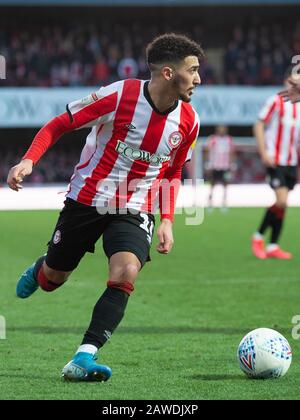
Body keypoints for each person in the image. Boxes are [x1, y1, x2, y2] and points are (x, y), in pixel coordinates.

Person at [7, 33, 203, 382]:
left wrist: (168, 220)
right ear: (169, 74)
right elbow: (59, 124)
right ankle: (42, 268)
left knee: (126, 271)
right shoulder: (120, 95)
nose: (199, 79)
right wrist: (29, 160)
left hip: (135, 205)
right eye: (193, 70)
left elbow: (173, 170)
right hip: (87, 199)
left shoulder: (189, 121)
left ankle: (84, 356)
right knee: (54, 279)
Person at [251, 70, 300, 260]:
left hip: (291, 162)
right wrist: (263, 152)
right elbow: (259, 124)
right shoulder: (276, 100)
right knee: (281, 201)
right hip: (275, 159)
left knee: (283, 205)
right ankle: (258, 237)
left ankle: (273, 246)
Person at [205, 125, 235, 211]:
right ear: (217, 130)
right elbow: (207, 151)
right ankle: (210, 202)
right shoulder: (213, 139)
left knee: (225, 184)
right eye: (220, 129)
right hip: (215, 165)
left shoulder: (229, 139)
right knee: (212, 184)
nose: (222, 130)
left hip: (225, 166)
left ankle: (224, 202)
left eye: (223, 129)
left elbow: (232, 152)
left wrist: (232, 164)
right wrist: (208, 163)